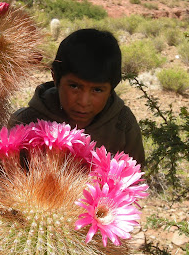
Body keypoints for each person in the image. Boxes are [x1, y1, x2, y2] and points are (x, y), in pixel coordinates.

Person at [8, 29, 145, 166]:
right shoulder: (25, 123)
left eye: (97, 90)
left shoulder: (123, 125)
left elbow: (134, 177)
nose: (83, 102)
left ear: (112, 88)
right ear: (55, 77)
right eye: (74, 86)